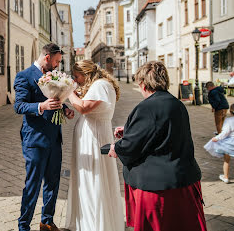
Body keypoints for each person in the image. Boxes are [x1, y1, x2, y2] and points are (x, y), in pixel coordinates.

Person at [108, 61, 207, 231]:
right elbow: (163, 130)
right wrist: (130, 129)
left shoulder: (147, 107)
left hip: (158, 187)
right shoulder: (177, 103)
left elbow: (132, 146)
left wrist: (116, 148)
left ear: (144, 84)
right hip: (183, 179)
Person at [14, 43, 75, 231]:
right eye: (56, 61)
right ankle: (23, 226)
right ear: (47, 57)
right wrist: (41, 107)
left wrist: (65, 109)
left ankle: (47, 221)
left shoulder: (54, 76)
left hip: (55, 139)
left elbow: (56, 98)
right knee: (32, 185)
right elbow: (19, 106)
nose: (57, 65)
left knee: (53, 182)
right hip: (35, 140)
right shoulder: (24, 76)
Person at [65, 60, 124, 231]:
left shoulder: (100, 85)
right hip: (93, 134)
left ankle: (95, 224)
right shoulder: (101, 84)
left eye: (77, 77)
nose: (77, 81)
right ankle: (89, 220)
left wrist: (68, 90)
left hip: (94, 138)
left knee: (94, 178)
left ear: (86, 74)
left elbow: (84, 107)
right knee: (89, 178)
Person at [204, 103, 234, 184]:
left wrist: (216, 138)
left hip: (230, 143)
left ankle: (226, 177)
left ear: (231, 112)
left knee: (227, 160)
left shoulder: (229, 121)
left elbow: (225, 133)